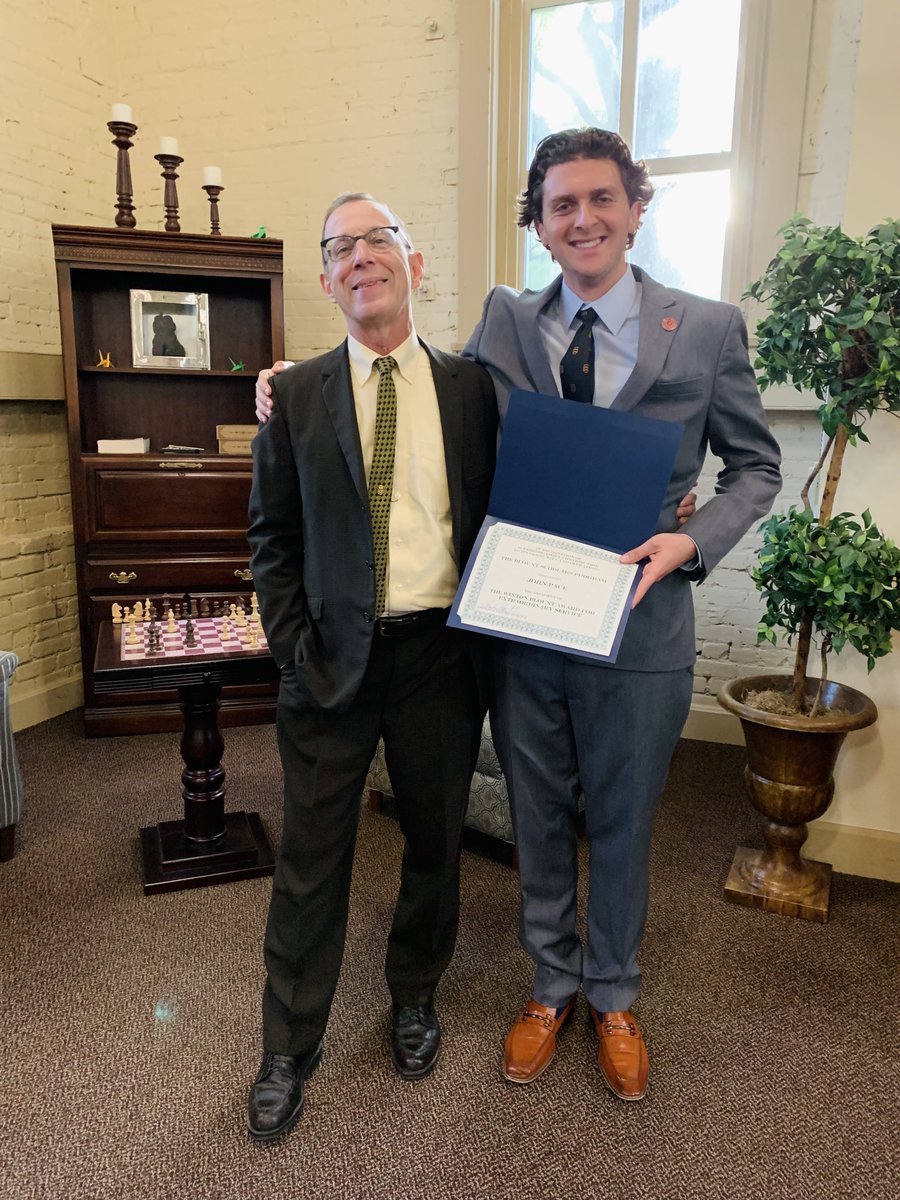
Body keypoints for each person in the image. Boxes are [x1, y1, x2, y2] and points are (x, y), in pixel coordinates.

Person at [255, 128, 781, 1104]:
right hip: (526, 631)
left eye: (600, 199)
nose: (582, 218)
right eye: (560, 205)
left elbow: (756, 467)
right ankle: (550, 985)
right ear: (538, 228)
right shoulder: (501, 326)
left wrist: (692, 537)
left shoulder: (706, 329)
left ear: (634, 207)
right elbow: (407, 390)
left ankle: (615, 995)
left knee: (622, 820)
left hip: (642, 627)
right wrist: (287, 387)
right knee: (538, 819)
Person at [245, 192, 497, 1143]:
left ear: (414, 262)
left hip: (439, 655)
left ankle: (414, 996)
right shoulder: (298, 392)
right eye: (340, 248)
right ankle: (287, 1045)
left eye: (378, 240)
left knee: (436, 842)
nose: (361, 257)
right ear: (325, 279)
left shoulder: (472, 390)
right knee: (311, 862)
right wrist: (292, 646)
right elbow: (271, 535)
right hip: (328, 664)